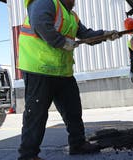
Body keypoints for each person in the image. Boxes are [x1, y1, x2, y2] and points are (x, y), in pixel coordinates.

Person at [17, 0, 121, 159]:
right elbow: (39, 23)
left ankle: (78, 144)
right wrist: (62, 42)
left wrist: (105, 34)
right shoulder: (45, 2)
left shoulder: (71, 16)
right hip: (39, 69)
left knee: (73, 110)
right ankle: (28, 155)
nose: (75, 1)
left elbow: (85, 35)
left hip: (62, 72)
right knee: (36, 114)